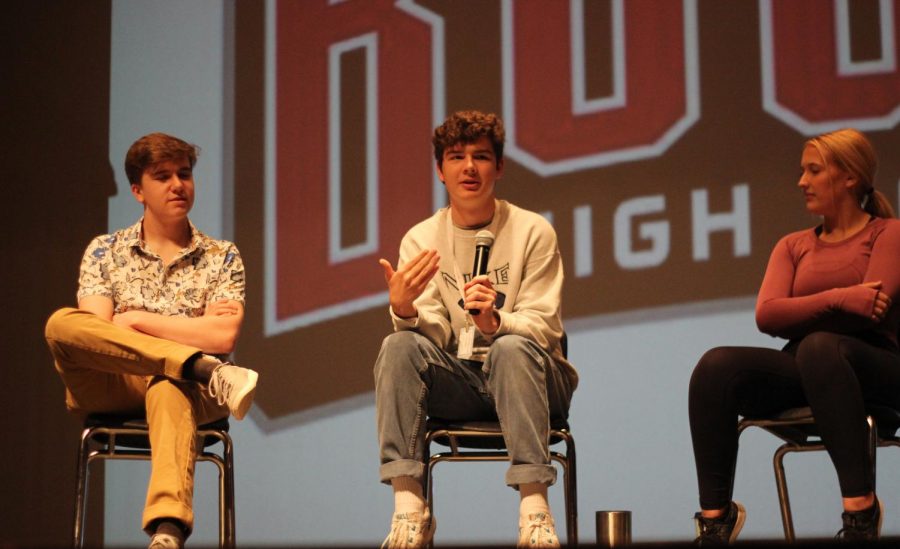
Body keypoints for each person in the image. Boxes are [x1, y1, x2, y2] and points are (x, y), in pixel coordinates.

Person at [44, 133, 259, 549]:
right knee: (60, 325)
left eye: (185, 173)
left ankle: (167, 531)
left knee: (168, 382)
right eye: (163, 176)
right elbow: (97, 338)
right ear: (138, 190)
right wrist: (192, 339)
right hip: (116, 384)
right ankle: (202, 365)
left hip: (194, 392)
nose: (178, 184)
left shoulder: (221, 255)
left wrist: (138, 318)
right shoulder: (104, 252)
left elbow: (224, 334)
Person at [373, 110, 577, 549]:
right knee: (397, 346)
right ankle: (410, 510)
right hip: (464, 380)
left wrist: (496, 323)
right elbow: (435, 341)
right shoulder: (421, 239)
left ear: (499, 167)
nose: (469, 167)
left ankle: (535, 514)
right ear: (440, 170)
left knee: (511, 349)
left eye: (481, 157)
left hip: (537, 381)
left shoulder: (532, 231)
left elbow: (544, 329)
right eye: (456, 157)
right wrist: (405, 310)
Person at [688, 128, 900, 544]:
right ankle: (715, 522)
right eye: (802, 171)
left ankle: (860, 513)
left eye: (813, 171)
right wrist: (840, 298)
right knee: (716, 367)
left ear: (850, 177)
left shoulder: (888, 233)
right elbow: (768, 315)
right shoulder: (792, 246)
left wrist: (807, 312)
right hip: (809, 365)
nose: (801, 182)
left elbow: (872, 309)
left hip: (877, 367)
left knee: (821, 347)